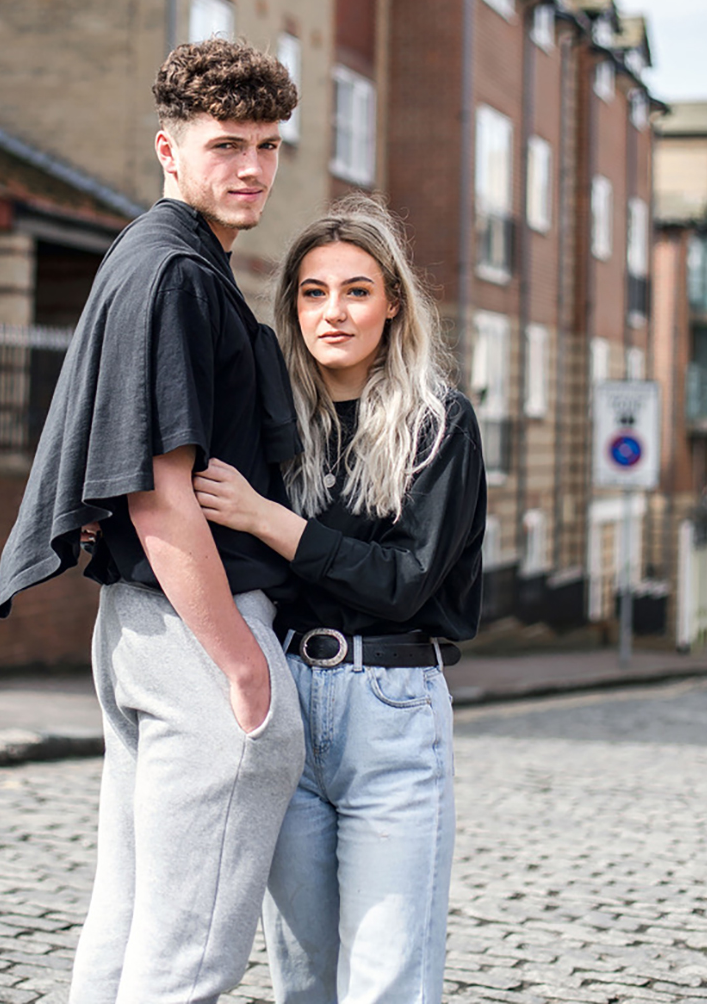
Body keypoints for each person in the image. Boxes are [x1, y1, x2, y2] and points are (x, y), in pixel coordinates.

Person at [0, 39, 306, 1004]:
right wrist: (241, 663)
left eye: (267, 144)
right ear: (169, 149)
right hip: (193, 631)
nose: (252, 167)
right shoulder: (174, 273)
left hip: (143, 626)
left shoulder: (158, 258)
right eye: (227, 145)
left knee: (132, 919)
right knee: (186, 954)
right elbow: (154, 488)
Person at [192, 195, 487, 1003]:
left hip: (390, 708)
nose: (334, 311)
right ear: (292, 306)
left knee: (386, 974)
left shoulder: (437, 425)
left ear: (393, 303)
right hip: (285, 704)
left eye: (357, 290)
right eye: (314, 292)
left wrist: (270, 519)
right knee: (305, 977)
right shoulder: (272, 422)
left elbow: (402, 584)